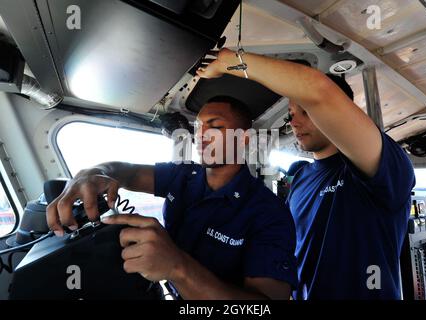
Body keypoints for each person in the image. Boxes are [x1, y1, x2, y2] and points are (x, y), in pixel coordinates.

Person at [197, 49, 415, 299]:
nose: (294, 122)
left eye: (306, 111)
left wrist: (230, 62)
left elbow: (318, 91)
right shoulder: (301, 177)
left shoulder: (379, 168)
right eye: (291, 115)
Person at [46, 95, 297, 300]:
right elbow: (127, 171)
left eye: (215, 127)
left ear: (243, 140)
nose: (200, 135)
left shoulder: (269, 213)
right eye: (198, 127)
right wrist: (94, 173)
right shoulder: (184, 175)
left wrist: (178, 268)